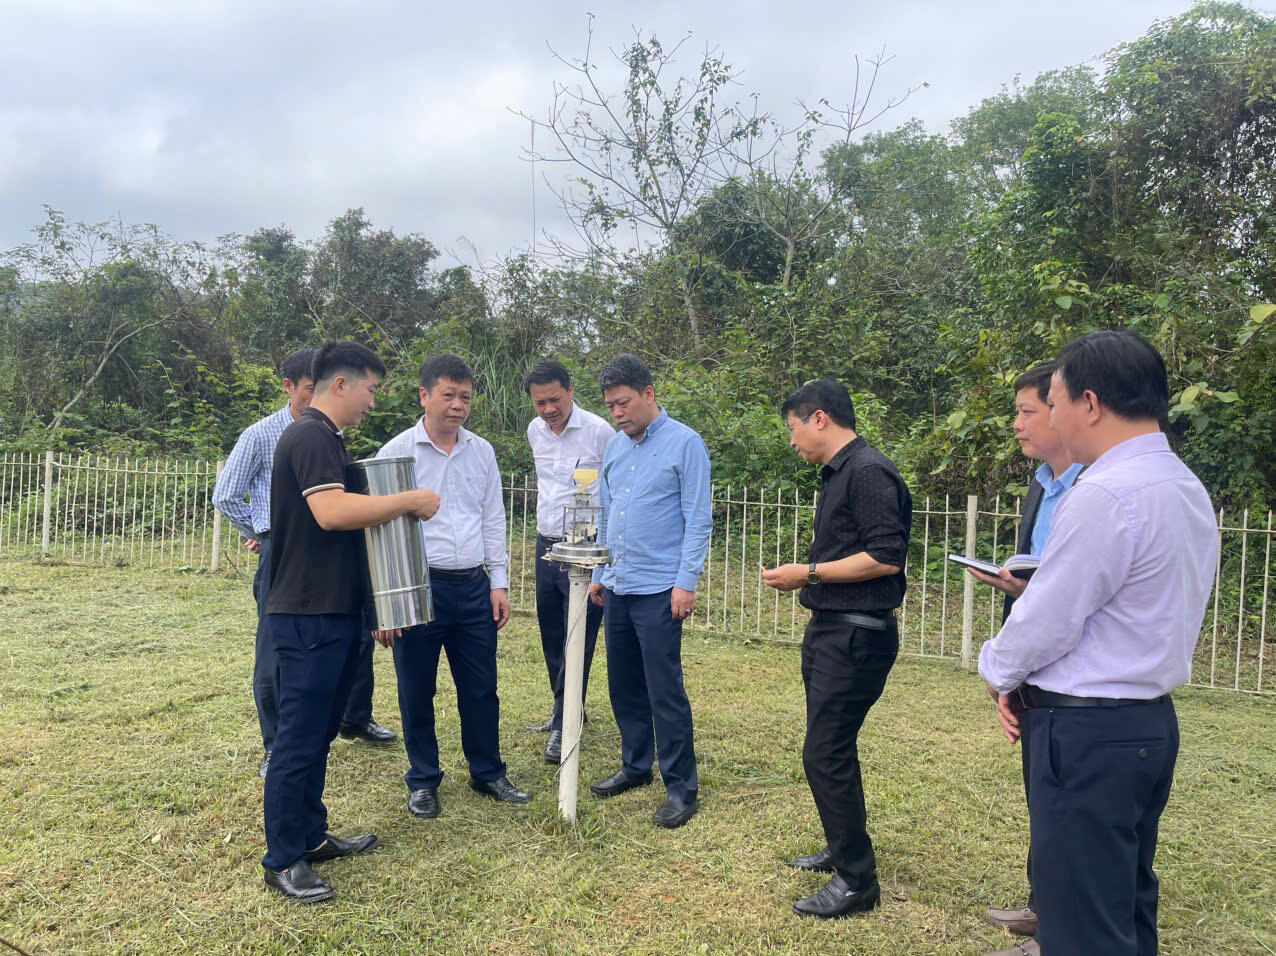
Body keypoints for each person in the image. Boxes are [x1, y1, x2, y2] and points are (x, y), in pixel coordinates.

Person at [978, 330, 1218, 956]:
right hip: (1146, 723)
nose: (1051, 419)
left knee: (1081, 923)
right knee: (1125, 905)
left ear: (1090, 403)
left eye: (1053, 404)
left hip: (1087, 733)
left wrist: (996, 669)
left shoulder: (1106, 493)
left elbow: (1048, 619)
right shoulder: (1183, 486)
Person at [261, 340, 440, 903]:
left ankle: (311, 837)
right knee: (297, 739)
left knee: (319, 734)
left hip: (334, 612)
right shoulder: (310, 435)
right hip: (307, 614)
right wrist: (408, 500)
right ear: (341, 384)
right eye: (370, 390)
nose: (372, 402)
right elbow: (332, 512)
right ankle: (283, 859)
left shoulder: (328, 438)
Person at [762, 379, 912, 920]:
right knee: (832, 749)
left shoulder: (868, 471)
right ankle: (841, 844)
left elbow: (885, 556)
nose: (792, 440)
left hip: (856, 635)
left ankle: (857, 880)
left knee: (824, 753)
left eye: (793, 428)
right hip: (831, 630)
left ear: (819, 419)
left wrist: (808, 573)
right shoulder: (840, 473)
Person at [213, 348, 396, 781]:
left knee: (352, 644)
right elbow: (227, 495)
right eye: (310, 389)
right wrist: (266, 533)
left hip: (326, 558)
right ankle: (276, 744)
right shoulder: (277, 434)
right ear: (291, 387)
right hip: (288, 556)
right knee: (278, 656)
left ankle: (353, 717)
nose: (372, 402)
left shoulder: (329, 434)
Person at [374, 354, 531, 819]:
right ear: (424, 396)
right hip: (418, 587)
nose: (458, 405)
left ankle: (488, 772)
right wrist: (383, 606)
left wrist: (498, 582)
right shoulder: (396, 452)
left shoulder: (481, 451)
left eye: (465, 397)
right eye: (448, 395)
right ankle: (423, 779)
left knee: (481, 686)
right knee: (416, 688)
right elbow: (377, 531)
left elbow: (493, 517)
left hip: (472, 586)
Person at [963, 362, 1081, 941]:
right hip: (1035, 661)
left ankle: (1056, 929)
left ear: (1065, 411)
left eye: (1027, 412)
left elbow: (1075, 594)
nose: (1017, 424)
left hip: (1076, 672)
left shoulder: (1096, 490)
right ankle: (1042, 905)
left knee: (1068, 807)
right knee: (1043, 793)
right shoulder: (1041, 482)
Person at [586, 354, 711, 829]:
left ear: (649, 394)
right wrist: (599, 573)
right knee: (623, 684)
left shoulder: (686, 444)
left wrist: (686, 582)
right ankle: (635, 765)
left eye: (624, 403)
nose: (617, 413)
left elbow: (698, 519)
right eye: (611, 406)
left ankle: (681, 788)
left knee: (664, 689)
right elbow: (606, 514)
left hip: (661, 589)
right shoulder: (615, 449)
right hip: (618, 585)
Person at [523, 359, 614, 763]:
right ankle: (567, 706)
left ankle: (565, 723)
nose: (548, 409)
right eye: (539, 402)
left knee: (580, 635)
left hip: (584, 545)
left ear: (571, 392)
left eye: (555, 400)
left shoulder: (599, 431)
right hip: (547, 544)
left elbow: (614, 491)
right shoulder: (534, 431)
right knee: (552, 634)